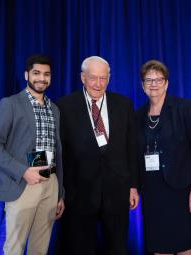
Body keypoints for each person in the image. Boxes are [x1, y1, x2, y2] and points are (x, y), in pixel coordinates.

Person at [56, 56, 139, 255]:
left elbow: (132, 148)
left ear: (109, 79)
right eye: (93, 78)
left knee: (118, 248)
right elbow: (61, 153)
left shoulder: (124, 104)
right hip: (79, 194)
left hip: (117, 192)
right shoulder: (64, 106)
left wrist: (133, 185)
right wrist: (60, 192)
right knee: (81, 248)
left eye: (103, 78)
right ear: (82, 78)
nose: (98, 83)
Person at [0, 54, 65, 255]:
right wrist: (23, 171)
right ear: (26, 74)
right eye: (36, 73)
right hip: (23, 184)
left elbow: (58, 152)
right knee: (14, 248)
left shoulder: (54, 108)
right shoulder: (10, 104)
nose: (42, 78)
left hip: (50, 183)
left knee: (40, 248)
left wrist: (60, 193)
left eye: (46, 74)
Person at [136, 60, 191, 255]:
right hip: (154, 194)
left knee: (185, 246)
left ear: (167, 83)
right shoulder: (138, 116)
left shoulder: (185, 108)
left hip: (184, 191)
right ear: (142, 85)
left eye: (159, 79)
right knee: (160, 247)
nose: (154, 84)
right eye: (149, 80)